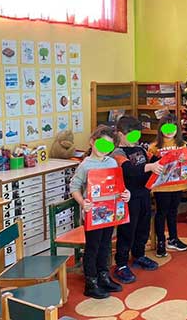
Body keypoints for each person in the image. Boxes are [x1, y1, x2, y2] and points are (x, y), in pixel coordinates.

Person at [70, 125, 129, 299]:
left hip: (109, 212)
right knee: (93, 247)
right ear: (92, 142)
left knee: (105, 244)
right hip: (92, 214)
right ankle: (91, 282)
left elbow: (118, 185)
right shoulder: (85, 165)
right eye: (101, 144)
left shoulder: (112, 162)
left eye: (108, 146)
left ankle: (104, 276)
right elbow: (74, 187)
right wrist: (83, 203)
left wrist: (126, 193)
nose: (104, 149)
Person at [112, 116, 163, 284]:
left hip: (144, 194)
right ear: (121, 134)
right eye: (132, 135)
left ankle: (139, 255)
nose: (136, 138)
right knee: (127, 230)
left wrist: (165, 159)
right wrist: (150, 167)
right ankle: (121, 264)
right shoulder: (118, 153)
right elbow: (129, 170)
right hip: (128, 198)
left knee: (143, 227)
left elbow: (153, 160)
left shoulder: (140, 149)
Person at [147, 113, 187, 258]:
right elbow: (150, 166)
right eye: (166, 128)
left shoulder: (182, 145)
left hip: (177, 184)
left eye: (173, 127)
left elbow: (186, 163)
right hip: (161, 186)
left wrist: (184, 160)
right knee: (161, 212)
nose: (170, 131)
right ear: (160, 129)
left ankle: (173, 238)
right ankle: (160, 241)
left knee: (173, 211)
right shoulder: (154, 147)